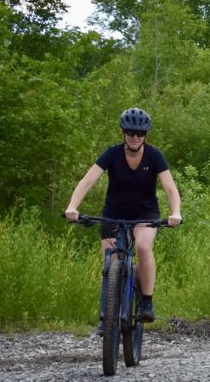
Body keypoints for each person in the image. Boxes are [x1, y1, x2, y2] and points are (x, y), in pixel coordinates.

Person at [65, 107, 182, 330]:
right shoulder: (111, 154)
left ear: (146, 135)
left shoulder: (154, 156)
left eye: (140, 134)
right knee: (111, 263)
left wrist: (175, 212)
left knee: (143, 247)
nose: (135, 137)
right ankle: (106, 316)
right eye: (130, 133)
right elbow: (86, 182)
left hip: (145, 214)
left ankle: (146, 302)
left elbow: (170, 189)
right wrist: (72, 207)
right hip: (114, 213)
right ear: (122, 132)